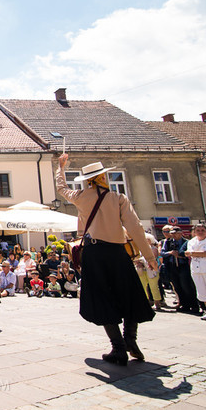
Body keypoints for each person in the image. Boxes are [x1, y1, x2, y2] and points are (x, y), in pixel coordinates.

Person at [56, 155, 157, 365]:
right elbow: (135, 228)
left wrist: (60, 167)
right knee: (130, 295)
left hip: (94, 254)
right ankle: (130, 338)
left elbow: (61, 189)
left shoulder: (80, 196)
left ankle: (118, 347)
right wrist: (149, 257)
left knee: (102, 298)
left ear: (87, 180)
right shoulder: (118, 198)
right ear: (103, 177)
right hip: (117, 253)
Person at [185, 224, 206, 321]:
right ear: (194, 232)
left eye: (202, 230)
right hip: (197, 270)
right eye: (198, 230)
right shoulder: (191, 242)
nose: (200, 232)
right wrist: (202, 254)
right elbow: (187, 253)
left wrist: (193, 253)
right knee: (203, 291)